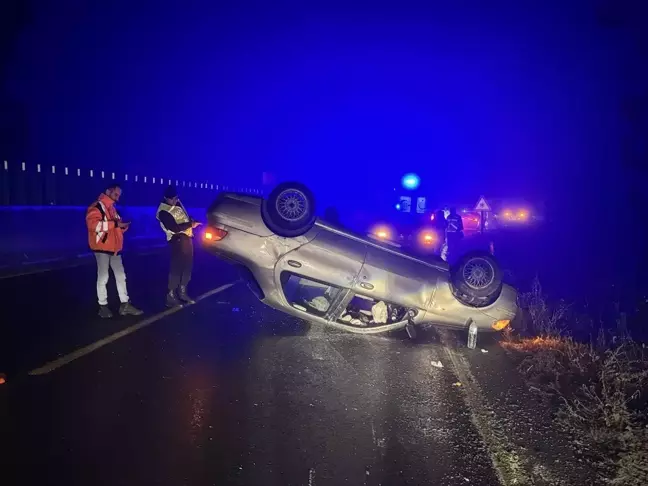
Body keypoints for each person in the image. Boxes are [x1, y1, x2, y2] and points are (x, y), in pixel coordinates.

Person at [86, 183, 143, 318]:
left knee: (121, 276)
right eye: (116, 194)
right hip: (102, 248)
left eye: (119, 195)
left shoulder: (112, 208)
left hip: (115, 248)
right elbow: (93, 225)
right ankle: (103, 306)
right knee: (103, 277)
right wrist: (116, 224)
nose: (118, 197)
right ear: (108, 191)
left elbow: (116, 226)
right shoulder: (96, 207)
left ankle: (125, 304)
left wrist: (123, 227)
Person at [156, 185, 202, 307]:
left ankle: (182, 293)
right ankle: (171, 295)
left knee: (187, 267)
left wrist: (190, 221)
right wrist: (190, 225)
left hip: (187, 239)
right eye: (173, 199)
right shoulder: (163, 211)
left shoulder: (176, 205)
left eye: (176, 198)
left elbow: (183, 219)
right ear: (166, 198)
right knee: (176, 268)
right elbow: (174, 228)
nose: (175, 201)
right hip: (176, 240)